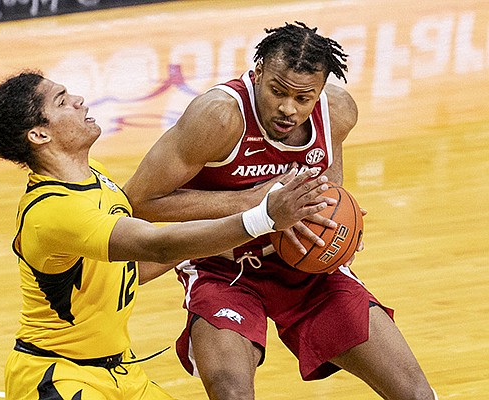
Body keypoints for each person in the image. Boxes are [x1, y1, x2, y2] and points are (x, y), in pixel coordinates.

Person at [0, 71, 332, 400]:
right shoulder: (53, 211)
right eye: (62, 101)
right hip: (59, 378)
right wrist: (262, 217)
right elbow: (156, 242)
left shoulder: (93, 176)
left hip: (120, 372)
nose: (80, 100)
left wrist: (229, 242)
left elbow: (129, 269)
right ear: (39, 135)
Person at [124, 22, 438, 400]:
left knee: (416, 394)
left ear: (320, 93)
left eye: (303, 98)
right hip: (222, 266)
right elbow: (139, 201)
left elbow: (329, 190)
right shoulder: (220, 116)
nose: (288, 108)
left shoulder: (336, 112)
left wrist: (339, 225)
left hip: (305, 268)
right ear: (257, 75)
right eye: (277, 91)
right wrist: (258, 203)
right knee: (231, 393)